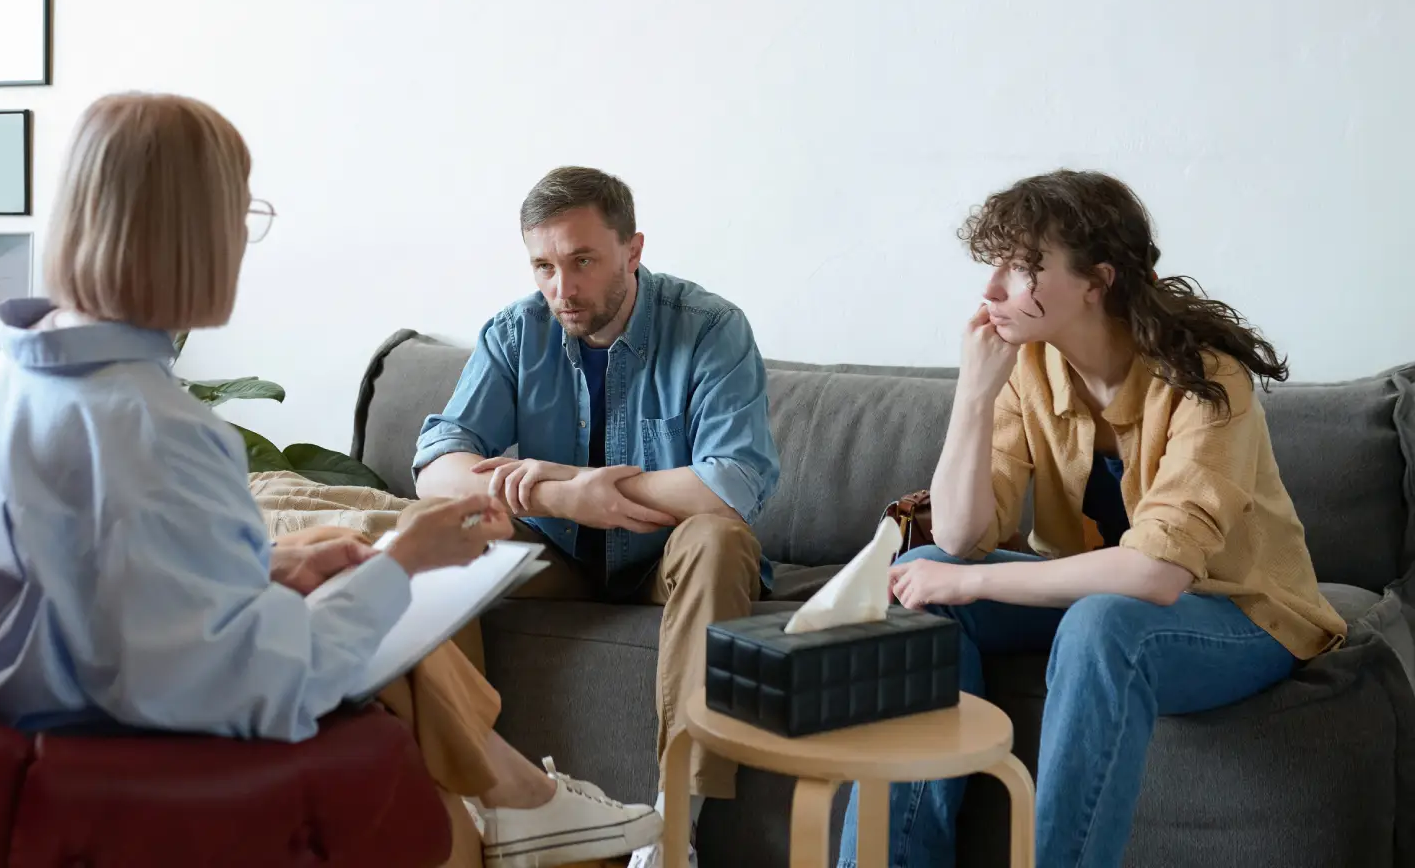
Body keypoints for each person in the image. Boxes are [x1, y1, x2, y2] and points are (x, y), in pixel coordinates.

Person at [0, 94, 662, 868]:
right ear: (191, 230)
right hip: (97, 746)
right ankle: (520, 810)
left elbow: (83, 572)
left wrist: (264, 568)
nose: (241, 237)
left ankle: (520, 805)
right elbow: (264, 687)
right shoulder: (158, 424)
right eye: (239, 212)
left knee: (337, 553)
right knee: (392, 663)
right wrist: (404, 565)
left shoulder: (21, 369)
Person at [837, 171, 1346, 868]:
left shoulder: (1210, 379)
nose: (991, 292)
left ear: (1096, 282)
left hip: (1240, 614)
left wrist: (976, 586)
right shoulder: (1029, 368)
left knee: (1103, 624)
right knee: (915, 576)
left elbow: (1157, 574)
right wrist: (973, 396)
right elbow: (957, 538)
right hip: (1091, 595)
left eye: (1022, 269)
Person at [413, 166, 781, 868]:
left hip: (664, 562)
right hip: (556, 559)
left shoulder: (710, 328)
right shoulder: (516, 332)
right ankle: (469, 799)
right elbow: (437, 467)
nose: (562, 289)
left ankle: (678, 829)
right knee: (441, 534)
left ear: (632, 251)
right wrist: (558, 497)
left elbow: (732, 482)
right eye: (545, 266)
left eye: (582, 261)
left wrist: (581, 481)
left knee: (718, 538)